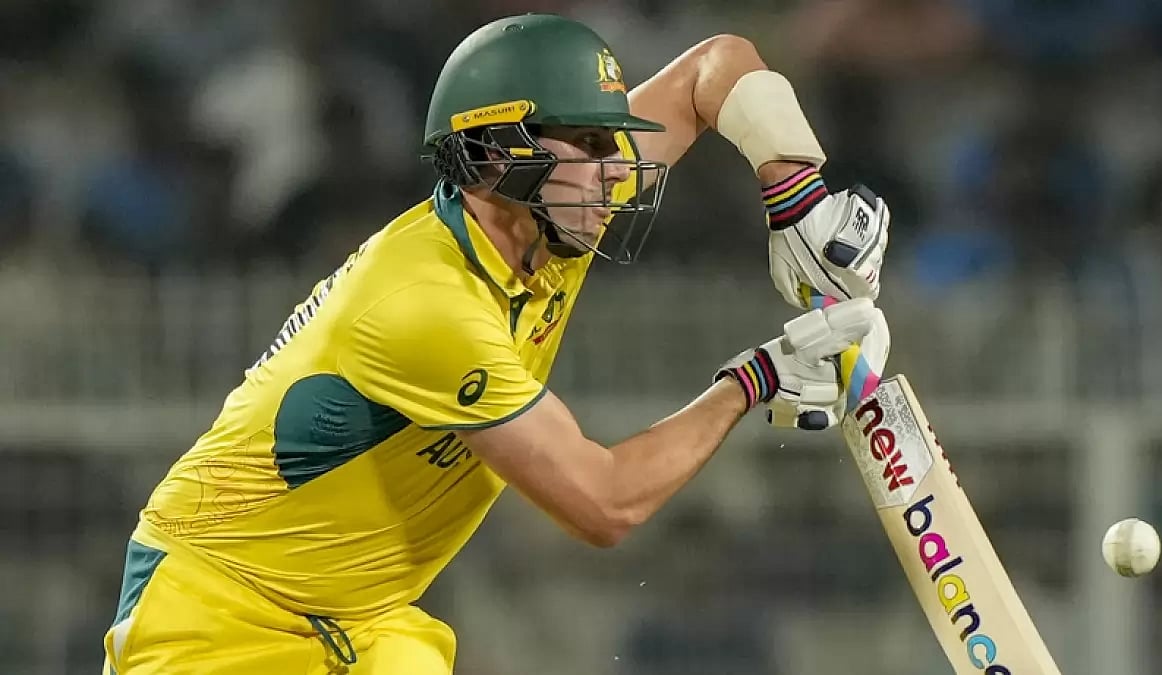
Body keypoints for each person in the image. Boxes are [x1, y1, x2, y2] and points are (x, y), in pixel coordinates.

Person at [102, 14, 892, 674]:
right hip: (214, 615)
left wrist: (796, 198)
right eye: (585, 142)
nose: (614, 169)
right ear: (492, 154)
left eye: (611, 140)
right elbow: (604, 503)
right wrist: (754, 379)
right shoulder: (425, 304)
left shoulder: (549, 212)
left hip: (360, 621)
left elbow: (718, 66)